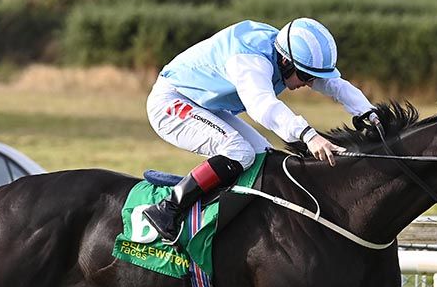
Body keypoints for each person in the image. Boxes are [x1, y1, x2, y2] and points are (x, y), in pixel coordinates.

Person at [143, 18, 374, 245]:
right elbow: (262, 106)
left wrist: (370, 114)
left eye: (313, 77)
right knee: (239, 152)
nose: (309, 83)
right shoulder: (251, 61)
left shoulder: (287, 53)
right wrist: (308, 135)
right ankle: (167, 209)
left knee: (265, 157)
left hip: (205, 104)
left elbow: (335, 85)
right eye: (305, 76)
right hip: (172, 101)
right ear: (285, 61)